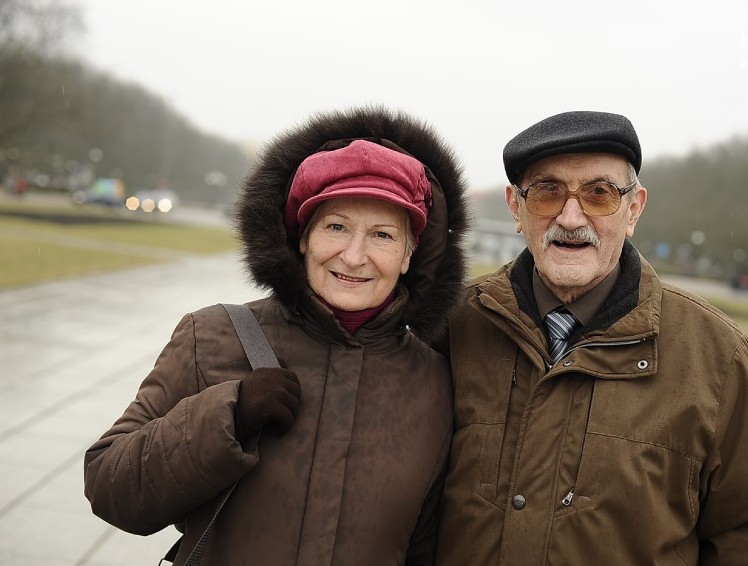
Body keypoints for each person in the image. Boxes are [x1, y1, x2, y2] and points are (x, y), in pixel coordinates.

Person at [83, 105, 469, 565]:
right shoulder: (211, 335)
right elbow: (111, 488)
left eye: (383, 235)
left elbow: (425, 545)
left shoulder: (435, 380)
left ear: (410, 254)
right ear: (302, 236)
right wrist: (228, 415)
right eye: (337, 227)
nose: (354, 255)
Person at [436, 111, 748, 565]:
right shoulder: (452, 326)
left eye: (599, 194)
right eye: (547, 192)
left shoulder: (716, 357)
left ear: (634, 209)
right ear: (515, 208)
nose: (570, 217)